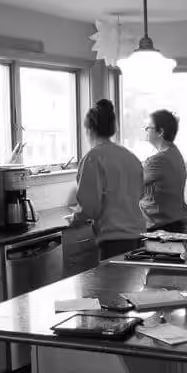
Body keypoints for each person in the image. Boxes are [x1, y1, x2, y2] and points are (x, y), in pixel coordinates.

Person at [72, 99, 145, 260]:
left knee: (113, 284)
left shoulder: (93, 158)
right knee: (133, 283)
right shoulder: (130, 156)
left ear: (89, 130)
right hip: (138, 234)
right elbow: (140, 193)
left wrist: (75, 219)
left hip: (113, 238)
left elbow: (89, 206)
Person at [140, 110, 187, 233]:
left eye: (148, 127)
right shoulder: (174, 152)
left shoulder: (158, 160)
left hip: (161, 227)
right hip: (172, 223)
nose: (145, 130)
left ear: (160, 132)